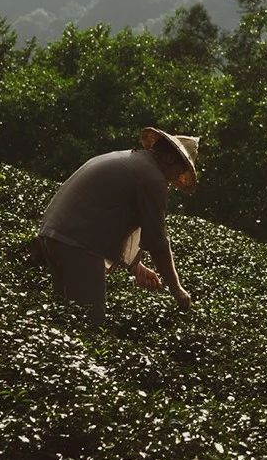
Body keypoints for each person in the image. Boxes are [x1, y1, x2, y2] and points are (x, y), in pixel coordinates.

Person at [37, 127, 198, 323]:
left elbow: (109, 212)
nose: (174, 180)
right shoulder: (152, 178)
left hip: (54, 234)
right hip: (77, 244)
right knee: (90, 322)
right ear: (171, 160)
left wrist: (136, 266)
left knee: (66, 316)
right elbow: (157, 240)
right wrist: (177, 289)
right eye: (179, 171)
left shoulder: (130, 160)